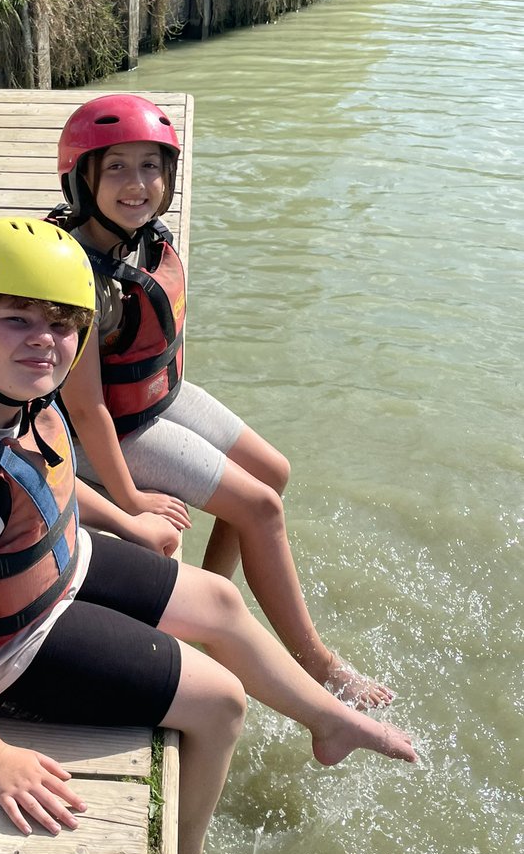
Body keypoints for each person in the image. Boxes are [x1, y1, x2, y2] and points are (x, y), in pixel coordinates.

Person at [0, 216, 417, 854]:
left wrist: (128, 519)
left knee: (222, 608)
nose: (43, 340)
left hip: (39, 576)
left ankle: (328, 721)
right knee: (220, 703)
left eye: (63, 323)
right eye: (15, 319)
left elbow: (33, 467)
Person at [51, 94, 391, 710]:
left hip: (156, 397)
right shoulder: (78, 274)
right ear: (83, 179)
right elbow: (85, 408)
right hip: (112, 428)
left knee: (273, 473)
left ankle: (210, 599)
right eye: (118, 168)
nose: (138, 184)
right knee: (260, 508)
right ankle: (317, 663)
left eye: (151, 167)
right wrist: (129, 500)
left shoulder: (140, 240)